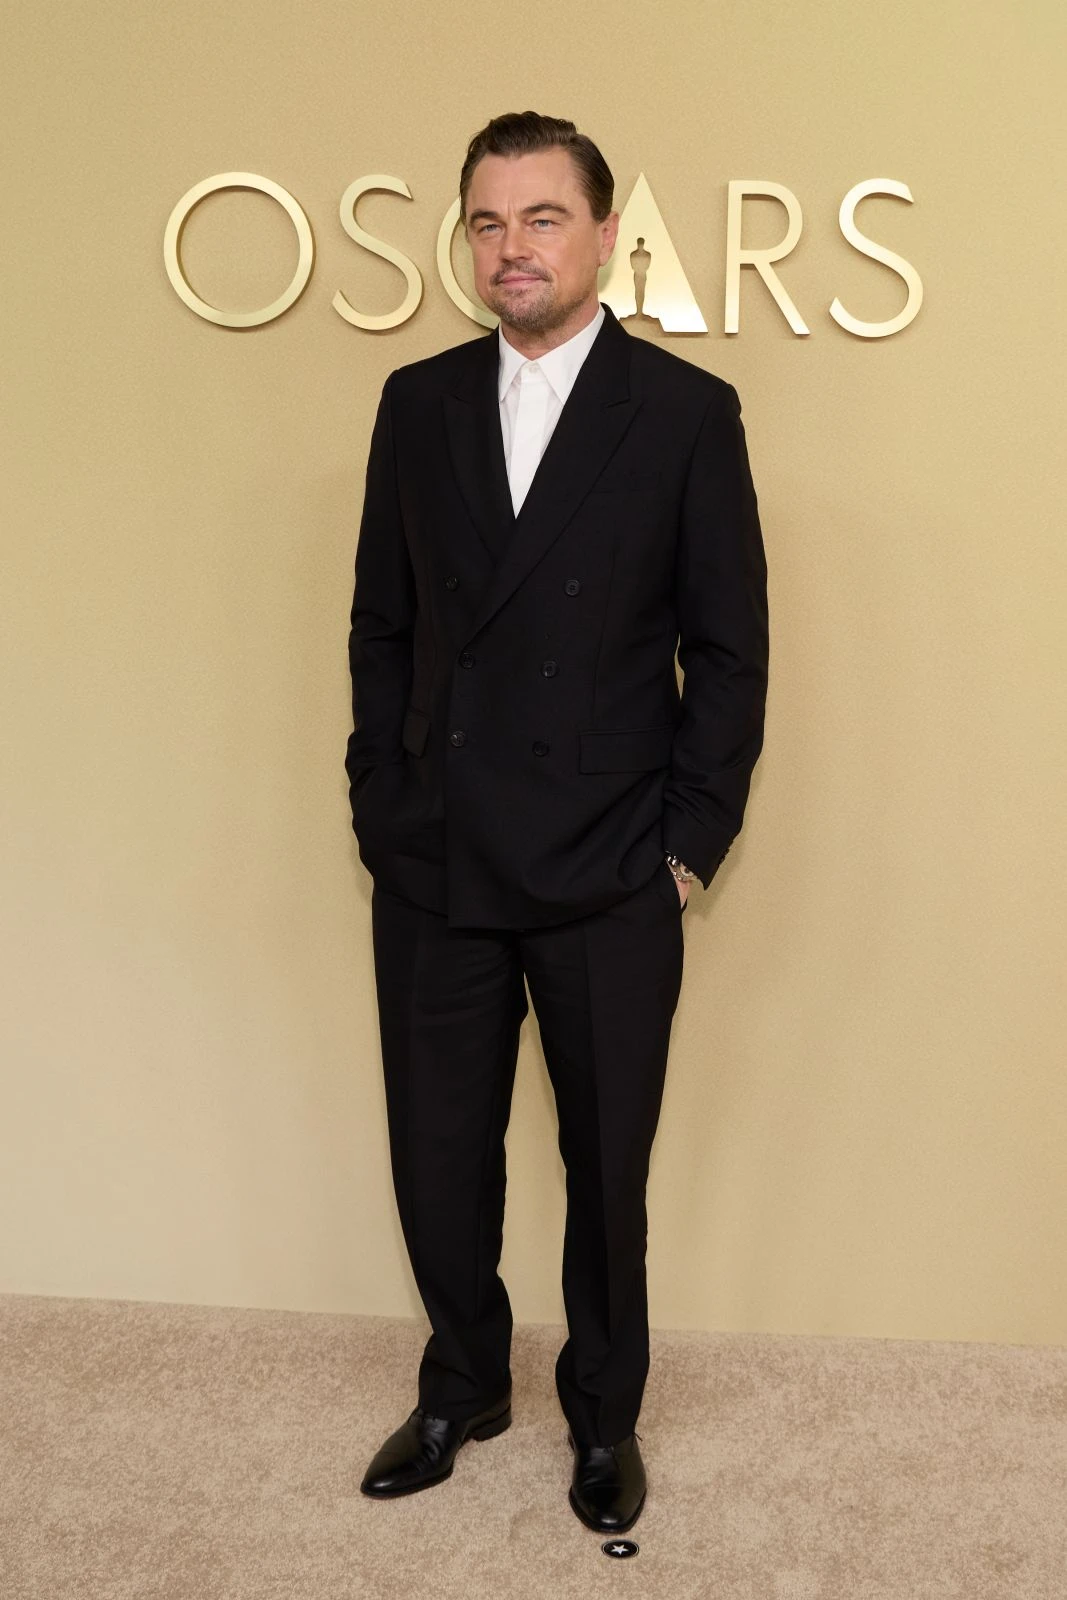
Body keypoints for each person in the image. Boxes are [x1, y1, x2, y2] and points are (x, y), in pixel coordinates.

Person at [346, 111, 768, 1534]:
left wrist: (684, 846)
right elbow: (382, 626)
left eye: (540, 218)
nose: (510, 247)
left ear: (601, 235)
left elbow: (728, 653)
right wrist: (381, 800)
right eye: (486, 221)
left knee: (607, 1165)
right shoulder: (416, 403)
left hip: (609, 865)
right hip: (438, 854)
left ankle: (603, 1414)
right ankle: (463, 1384)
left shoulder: (685, 412)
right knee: (437, 1153)